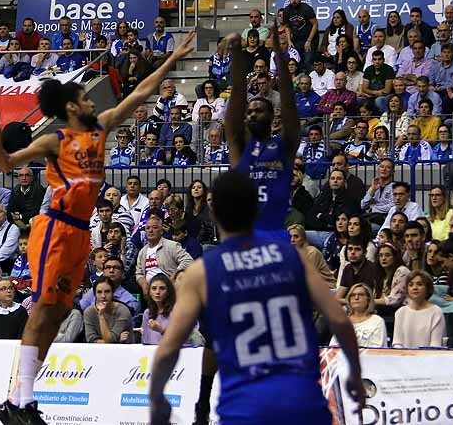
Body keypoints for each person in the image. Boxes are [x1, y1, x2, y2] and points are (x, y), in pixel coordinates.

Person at [0, 30, 196, 424]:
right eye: (83, 97)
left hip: (81, 233)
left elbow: (140, 94)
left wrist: (172, 60)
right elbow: (6, 166)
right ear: (69, 106)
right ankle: (17, 401)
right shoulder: (54, 141)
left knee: (59, 311)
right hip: (56, 230)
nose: (90, 100)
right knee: (43, 310)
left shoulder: (100, 129)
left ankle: (21, 397)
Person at [148, 172, 365, 425]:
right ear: (256, 210)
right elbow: (339, 318)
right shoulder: (291, 256)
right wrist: (356, 375)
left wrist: (156, 399)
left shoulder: (201, 272)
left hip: (245, 409)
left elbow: (168, 350)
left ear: (213, 211)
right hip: (302, 404)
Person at [222, 26, 300, 239]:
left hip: (277, 233)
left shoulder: (284, 146)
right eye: (249, 111)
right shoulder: (239, 146)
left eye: (259, 110)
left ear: (273, 116)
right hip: (245, 234)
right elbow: (238, 92)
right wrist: (236, 53)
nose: (253, 114)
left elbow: (289, 101)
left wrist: (278, 55)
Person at [392, 271, 445, 348]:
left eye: (419, 284)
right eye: (411, 285)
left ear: (428, 288)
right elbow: (397, 343)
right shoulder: (400, 312)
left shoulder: (436, 312)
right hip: (404, 358)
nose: (415, 288)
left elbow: (435, 345)